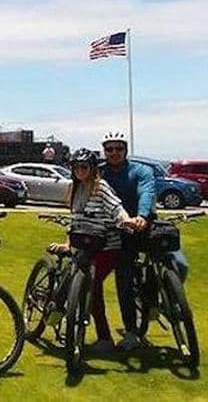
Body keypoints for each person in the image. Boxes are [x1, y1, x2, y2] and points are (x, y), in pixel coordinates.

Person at [49, 148, 134, 353]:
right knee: (74, 277)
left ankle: (104, 338)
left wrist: (126, 220)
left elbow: (116, 207)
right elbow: (75, 221)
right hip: (84, 246)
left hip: (106, 247)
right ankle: (58, 310)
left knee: (92, 285)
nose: (80, 171)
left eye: (84, 167)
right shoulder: (75, 189)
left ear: (93, 168)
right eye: (76, 167)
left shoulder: (101, 187)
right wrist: (67, 244)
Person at [98, 130, 165, 351]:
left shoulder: (141, 170)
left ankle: (161, 300)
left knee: (177, 264)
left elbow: (146, 191)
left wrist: (143, 216)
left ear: (126, 150)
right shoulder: (100, 172)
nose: (114, 153)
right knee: (124, 278)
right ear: (104, 151)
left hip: (143, 223)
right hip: (119, 230)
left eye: (119, 148)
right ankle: (130, 332)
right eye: (109, 149)